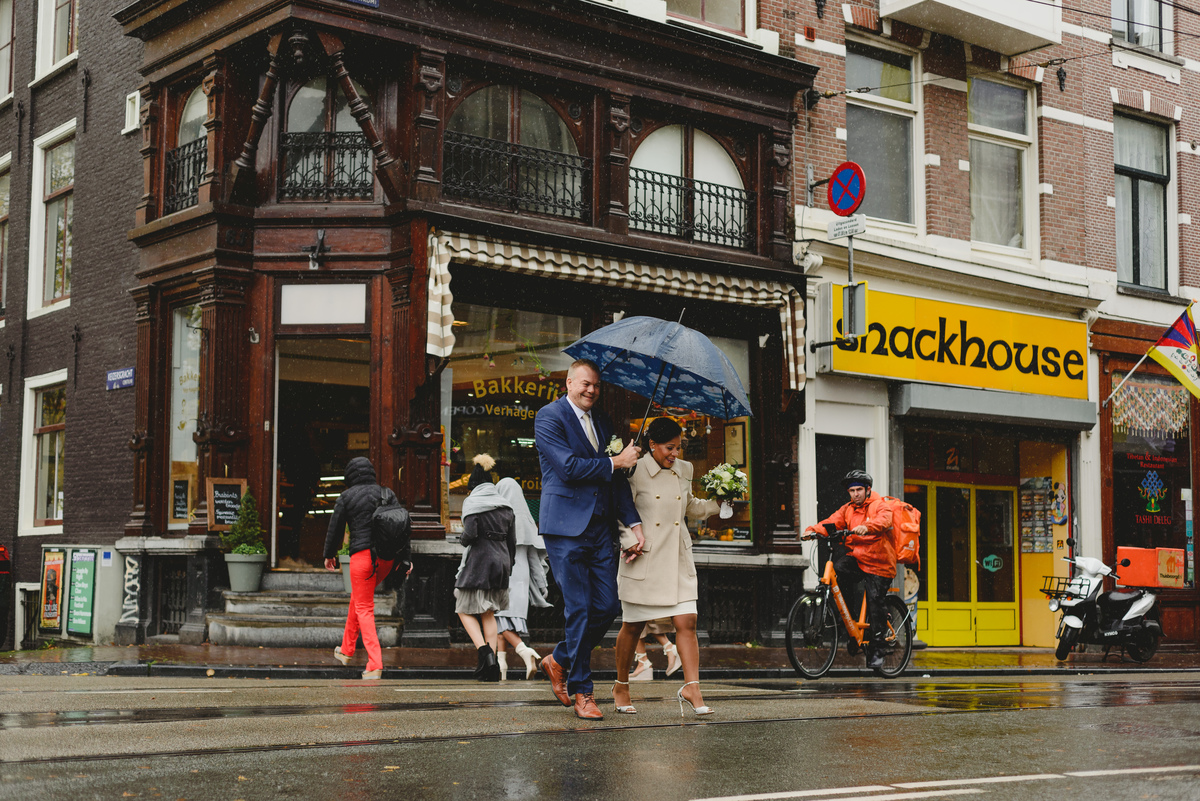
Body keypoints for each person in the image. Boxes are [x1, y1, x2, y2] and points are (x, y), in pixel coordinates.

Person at [534, 358, 642, 720]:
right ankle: (584, 692)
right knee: (579, 608)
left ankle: (559, 659)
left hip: (601, 529)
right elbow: (568, 467)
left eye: (596, 385)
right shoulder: (549, 417)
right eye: (584, 383)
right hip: (564, 527)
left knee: (608, 607)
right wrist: (616, 462)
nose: (591, 390)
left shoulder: (604, 421)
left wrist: (633, 523)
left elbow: (617, 481)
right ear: (568, 383)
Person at [613, 417, 721, 716]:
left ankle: (692, 687)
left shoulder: (684, 469)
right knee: (632, 626)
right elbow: (620, 511)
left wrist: (719, 502)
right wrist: (627, 540)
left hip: (677, 556)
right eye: (669, 448)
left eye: (678, 448)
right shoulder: (633, 468)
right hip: (644, 556)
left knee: (687, 621)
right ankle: (621, 685)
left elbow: (690, 508)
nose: (675, 454)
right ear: (652, 445)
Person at [323, 456, 406, 680]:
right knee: (359, 598)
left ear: (349, 476)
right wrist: (405, 558)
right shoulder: (386, 493)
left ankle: (375, 663)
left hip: (362, 558)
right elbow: (402, 525)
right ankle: (347, 650)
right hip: (386, 559)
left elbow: (335, 528)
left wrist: (329, 554)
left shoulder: (346, 497)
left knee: (364, 608)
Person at [804, 469, 896, 669]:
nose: (855, 494)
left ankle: (878, 649)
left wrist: (868, 526)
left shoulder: (880, 505)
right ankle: (851, 622)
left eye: (859, 490)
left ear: (868, 490)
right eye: (852, 491)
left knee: (874, 599)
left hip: (880, 561)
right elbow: (831, 522)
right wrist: (813, 530)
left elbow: (885, 520)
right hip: (858, 558)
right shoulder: (847, 509)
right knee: (837, 571)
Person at [455, 455, 517, 682]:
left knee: (463, 607)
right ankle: (492, 669)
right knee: (488, 612)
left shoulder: (474, 503)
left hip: (480, 561)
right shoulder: (506, 506)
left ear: (473, 486)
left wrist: (461, 540)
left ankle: (485, 652)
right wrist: (508, 565)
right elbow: (512, 541)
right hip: (501, 562)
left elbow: (469, 534)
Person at [493, 477, 551, 680]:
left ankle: (523, 650)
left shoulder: (498, 518)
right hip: (521, 577)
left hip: (502, 574)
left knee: (500, 620)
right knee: (502, 619)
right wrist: (542, 583)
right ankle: (501, 665)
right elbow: (534, 558)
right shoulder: (526, 520)